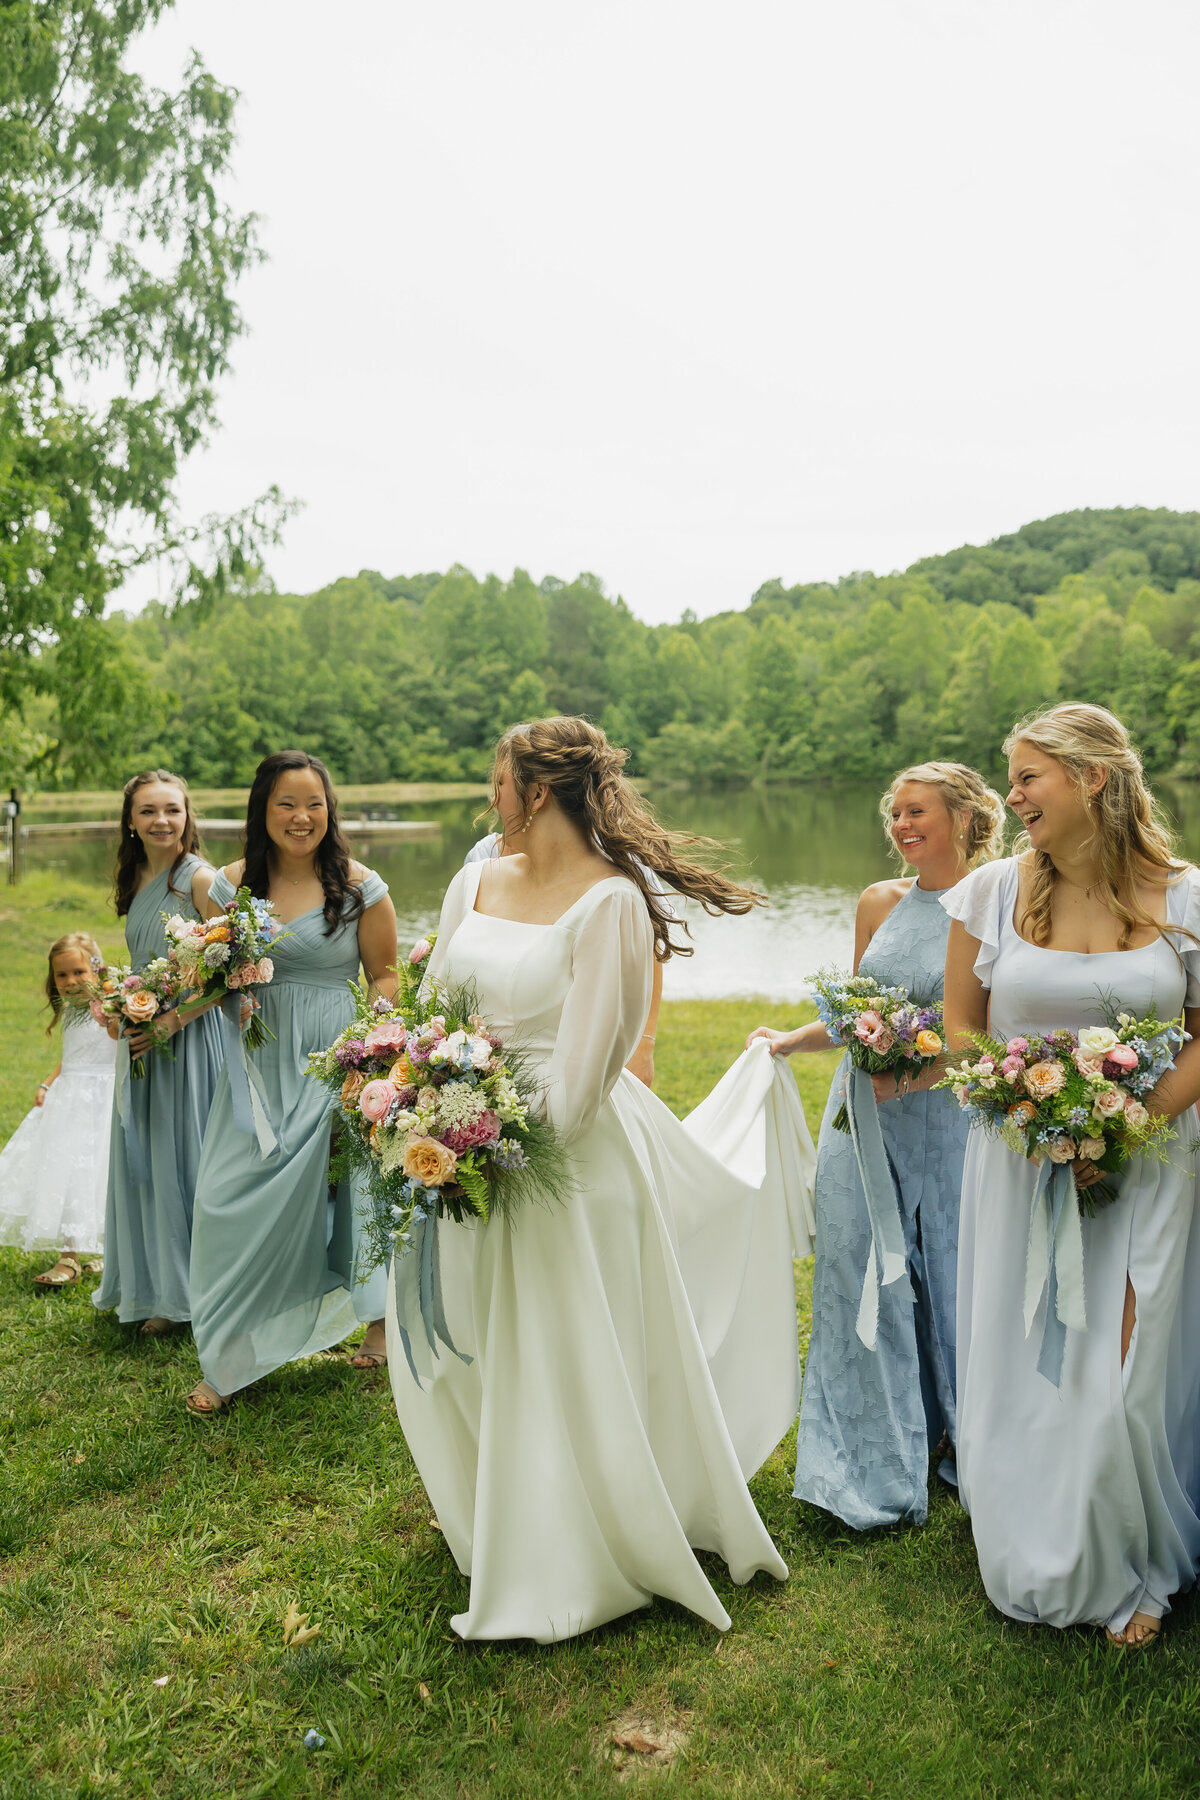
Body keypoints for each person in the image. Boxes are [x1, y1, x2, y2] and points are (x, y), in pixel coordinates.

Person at [387, 715, 817, 1643]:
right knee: (469, 1336)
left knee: (556, 1349)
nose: (490, 799)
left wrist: (482, 1135)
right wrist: (417, 1101)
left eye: (498, 783)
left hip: (559, 1165)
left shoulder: (613, 902)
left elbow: (585, 1079)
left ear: (535, 791)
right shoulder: (473, 880)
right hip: (455, 1136)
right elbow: (428, 1015)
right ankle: (488, 1511)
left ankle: (572, 1536)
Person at [943, 703, 1200, 1646]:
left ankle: (1137, 1559)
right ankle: (1046, 1539)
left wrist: (1121, 1129)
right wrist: (1034, 1120)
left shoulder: (1187, 895)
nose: (1011, 798)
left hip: (1156, 1161)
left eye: (1026, 778)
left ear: (1093, 778)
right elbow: (964, 1031)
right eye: (1010, 780)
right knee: (1036, 1352)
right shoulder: (987, 894)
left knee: (1130, 1358)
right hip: (1020, 1164)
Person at [748, 763, 1005, 1528]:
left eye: (917, 811)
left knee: (951, 1275)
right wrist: (792, 1040)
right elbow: (860, 1009)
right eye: (894, 814)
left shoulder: (997, 902)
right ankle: (868, 1457)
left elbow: (986, 1031)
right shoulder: (877, 901)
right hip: (863, 1115)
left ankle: (962, 1433)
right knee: (860, 1268)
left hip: (950, 1119)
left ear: (963, 816)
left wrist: (917, 1076)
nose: (900, 825)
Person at [186, 751, 398, 1414]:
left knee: (355, 1199)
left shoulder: (363, 888)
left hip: (336, 1064)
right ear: (263, 810)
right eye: (286, 803)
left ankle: (380, 1325)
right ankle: (231, 1348)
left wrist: (379, 1050)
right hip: (258, 1065)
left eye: (313, 803)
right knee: (228, 1201)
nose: (301, 817)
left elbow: (385, 976)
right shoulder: (227, 888)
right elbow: (206, 972)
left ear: (329, 810)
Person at [92, 772, 224, 1334]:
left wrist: (174, 1019)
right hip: (145, 1039)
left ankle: (187, 1297)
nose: (161, 821)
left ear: (187, 815)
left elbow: (236, 968)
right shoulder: (137, 875)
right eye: (148, 811)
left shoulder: (200, 878)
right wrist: (117, 1009)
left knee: (185, 1159)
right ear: (130, 821)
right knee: (144, 1157)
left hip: (191, 1040)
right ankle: (149, 1283)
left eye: (172, 810)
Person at [462, 827, 667, 1085]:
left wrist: (643, 1046)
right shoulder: (483, 857)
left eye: (503, 784)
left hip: (587, 1039)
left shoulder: (617, 852)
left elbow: (650, 949)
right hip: (491, 1054)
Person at [0, 933, 117, 1284]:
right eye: (61, 975)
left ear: (96, 969)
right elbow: (72, 1057)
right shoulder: (69, 1010)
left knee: (101, 1174)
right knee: (68, 1172)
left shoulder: (111, 1004)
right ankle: (69, 1258)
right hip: (70, 1099)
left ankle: (108, 1251)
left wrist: (111, 1010)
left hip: (105, 1097)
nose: (70, 982)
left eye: (79, 971)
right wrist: (48, 1082)